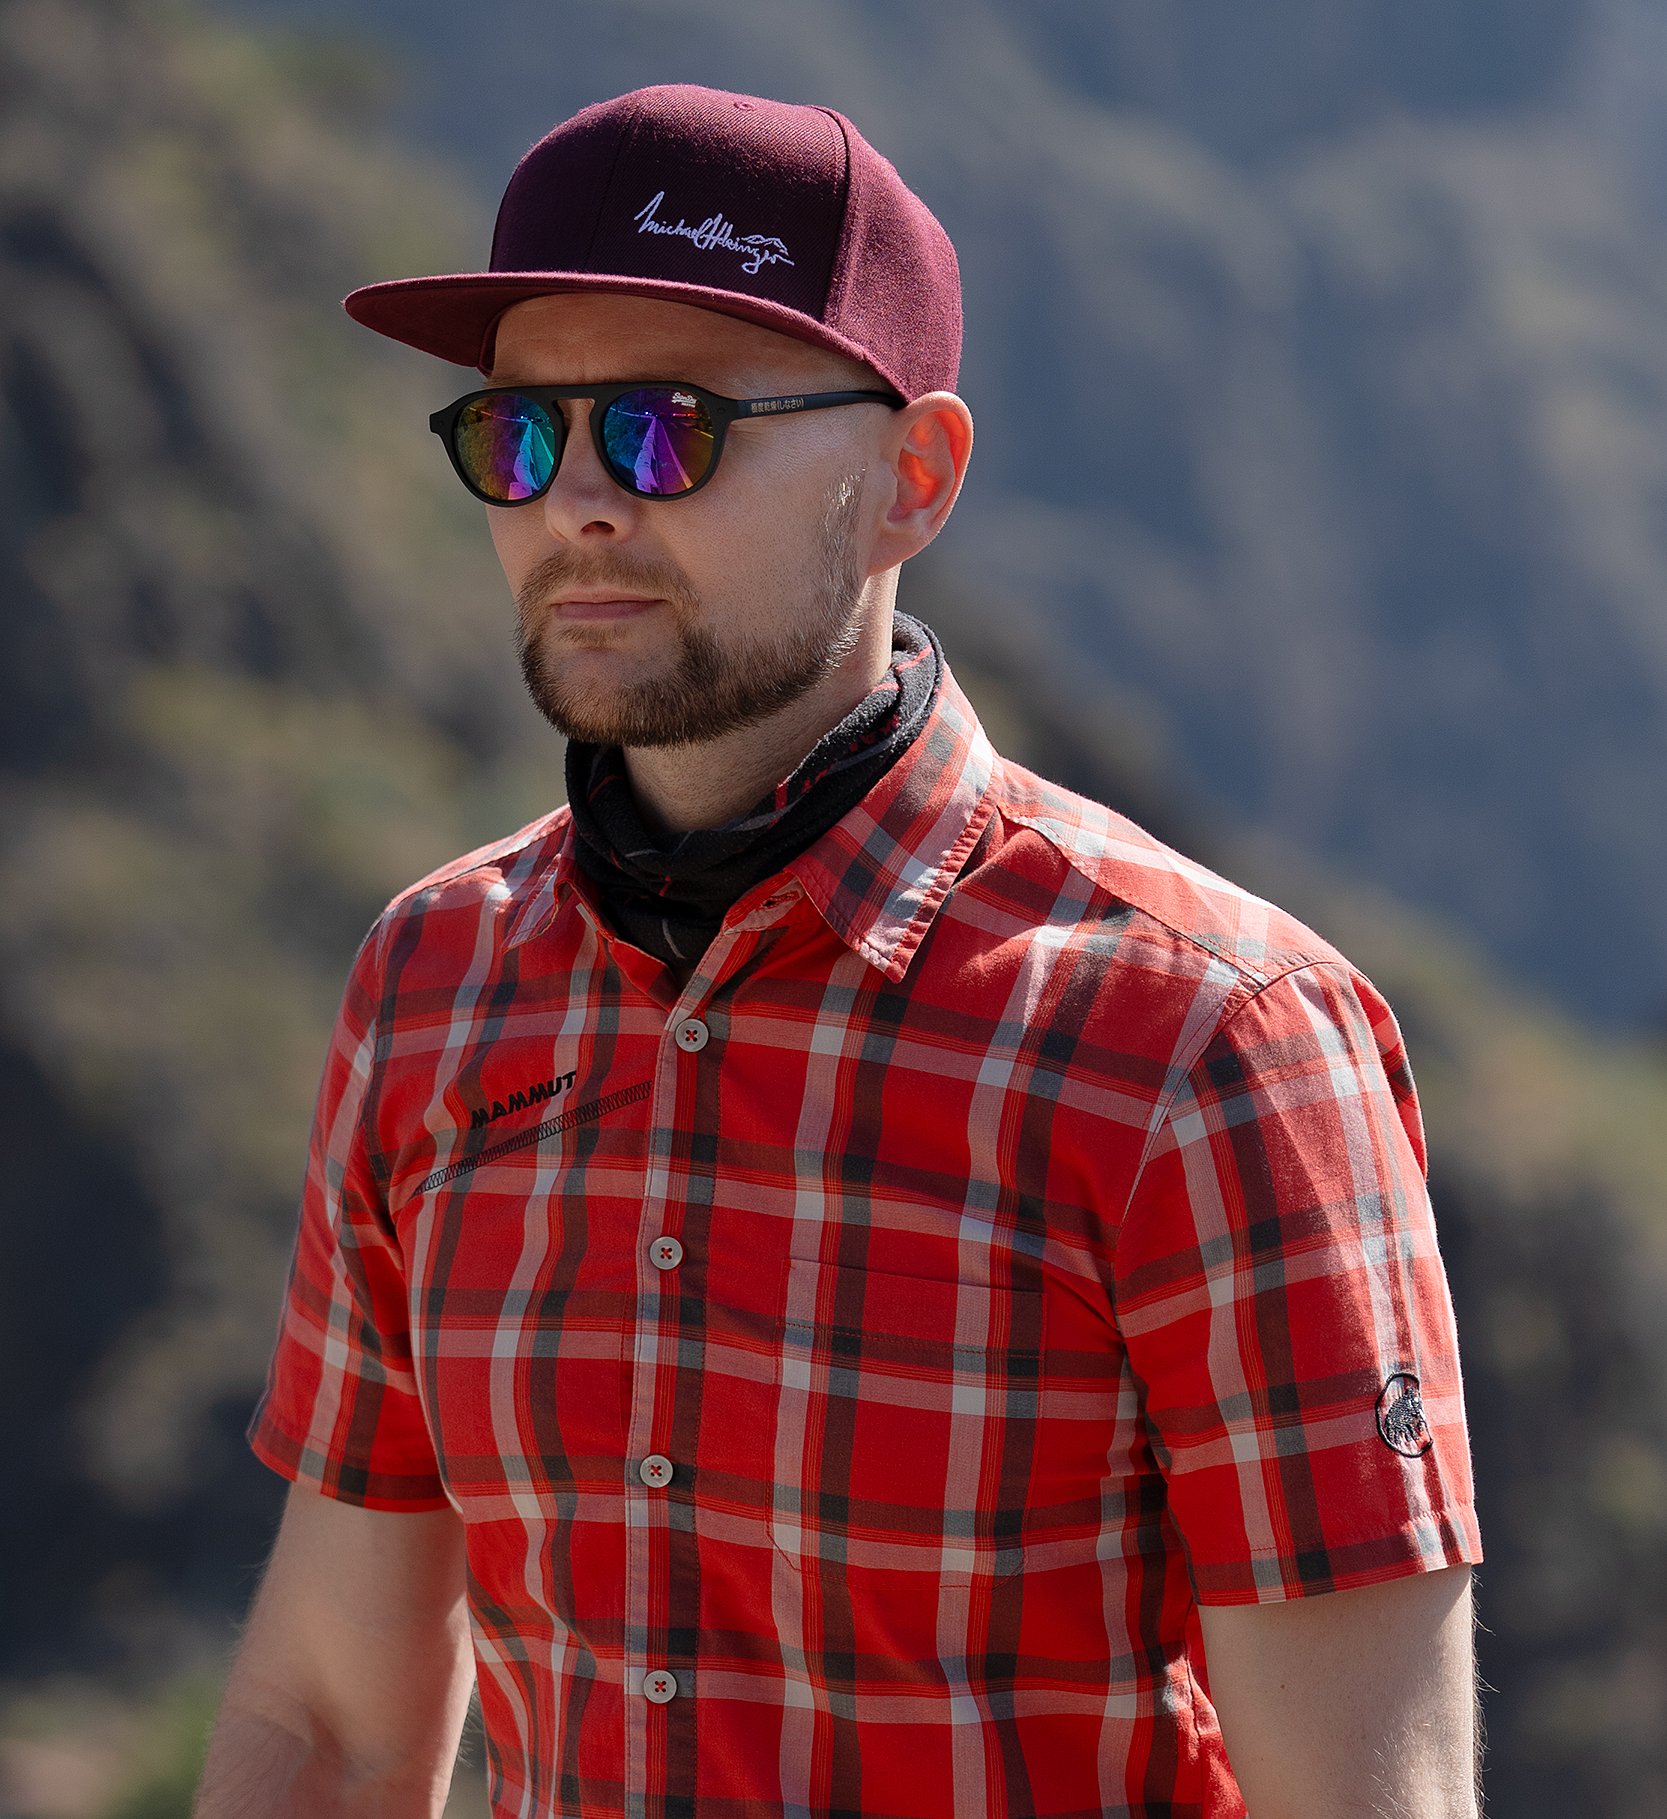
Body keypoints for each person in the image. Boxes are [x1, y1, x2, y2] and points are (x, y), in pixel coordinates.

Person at [194, 83, 1484, 1819]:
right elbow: (334, 1730)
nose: (578, 504)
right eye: (519, 435)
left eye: (666, 430)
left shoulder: (1213, 1044)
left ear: (912, 481)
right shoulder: (435, 985)